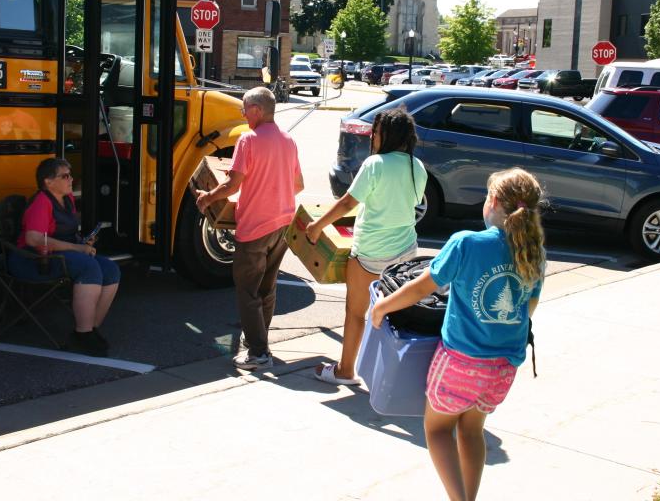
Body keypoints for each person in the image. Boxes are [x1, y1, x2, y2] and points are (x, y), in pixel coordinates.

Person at [370, 167, 545, 501]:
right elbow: (529, 308)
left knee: (437, 430)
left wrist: (382, 308)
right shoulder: (533, 254)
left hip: (461, 363)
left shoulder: (466, 243)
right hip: (503, 369)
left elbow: (420, 287)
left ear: (492, 201)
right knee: (472, 431)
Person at [306, 107, 427, 385]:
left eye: (376, 132)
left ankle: (345, 370)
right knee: (393, 315)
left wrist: (317, 226)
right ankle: (390, 375)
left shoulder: (375, 164)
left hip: (370, 253)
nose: (372, 137)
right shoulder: (416, 167)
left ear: (386, 135)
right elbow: (412, 201)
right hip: (405, 254)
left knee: (356, 313)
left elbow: (348, 202)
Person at [196, 87, 303, 370]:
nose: (243, 114)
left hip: (255, 225)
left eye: (245, 109)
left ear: (257, 110)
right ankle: (259, 341)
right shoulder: (289, 140)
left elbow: (232, 184)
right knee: (267, 287)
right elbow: (299, 185)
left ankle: (257, 352)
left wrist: (207, 197)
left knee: (247, 290)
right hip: (282, 224)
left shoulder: (248, 140)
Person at [10, 158, 121, 357]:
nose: (71, 179)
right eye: (65, 176)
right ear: (48, 182)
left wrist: (83, 242)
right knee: (88, 267)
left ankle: (91, 327)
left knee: (111, 270)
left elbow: (67, 233)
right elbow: (34, 239)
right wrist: (77, 248)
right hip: (34, 260)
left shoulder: (67, 199)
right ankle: (83, 333)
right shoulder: (42, 202)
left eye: (71, 174)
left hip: (61, 254)